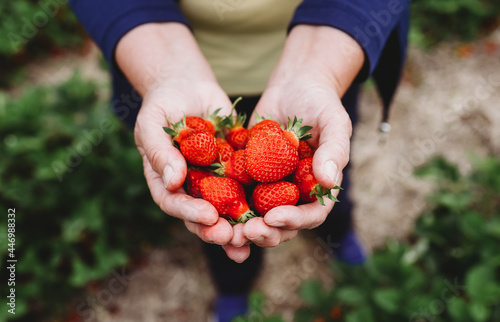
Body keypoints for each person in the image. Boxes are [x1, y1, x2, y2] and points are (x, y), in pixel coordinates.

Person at [69, 0, 409, 320]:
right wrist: (162, 72)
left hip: (326, 58)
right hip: (179, 65)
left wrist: (323, 68)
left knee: (328, 169)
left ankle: (338, 231)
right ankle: (234, 284)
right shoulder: (216, 149)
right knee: (217, 220)